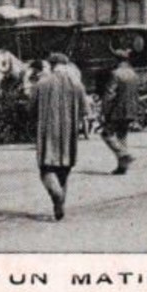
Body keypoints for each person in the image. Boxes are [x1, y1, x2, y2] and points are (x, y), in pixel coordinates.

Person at [33, 52, 87, 221]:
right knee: (64, 170)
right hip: (68, 133)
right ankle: (60, 203)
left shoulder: (41, 83)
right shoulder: (77, 84)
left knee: (46, 169)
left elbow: (31, 108)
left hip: (47, 131)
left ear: (51, 65)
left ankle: (57, 195)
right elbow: (85, 110)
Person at [100, 48, 140, 175]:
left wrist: (104, 111)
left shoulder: (115, 74)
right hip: (131, 109)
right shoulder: (133, 74)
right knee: (122, 136)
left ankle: (124, 154)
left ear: (116, 60)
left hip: (117, 110)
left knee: (106, 134)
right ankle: (122, 167)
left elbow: (110, 94)